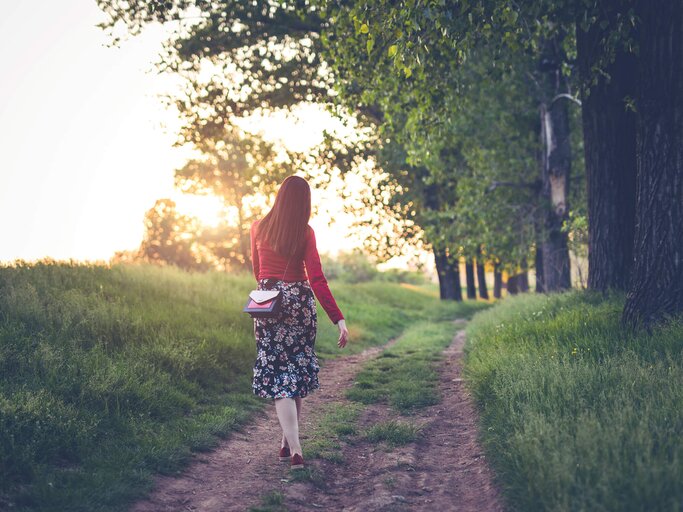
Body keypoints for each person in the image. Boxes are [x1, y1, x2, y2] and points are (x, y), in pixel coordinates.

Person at [250, 175, 349, 470]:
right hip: (299, 304)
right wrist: (338, 318)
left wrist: (271, 291)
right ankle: (292, 447)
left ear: (279, 197)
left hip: (267, 303)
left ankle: (290, 445)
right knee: (296, 370)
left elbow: (258, 272)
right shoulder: (305, 232)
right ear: (304, 202)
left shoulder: (258, 227)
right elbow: (316, 278)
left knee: (280, 374)